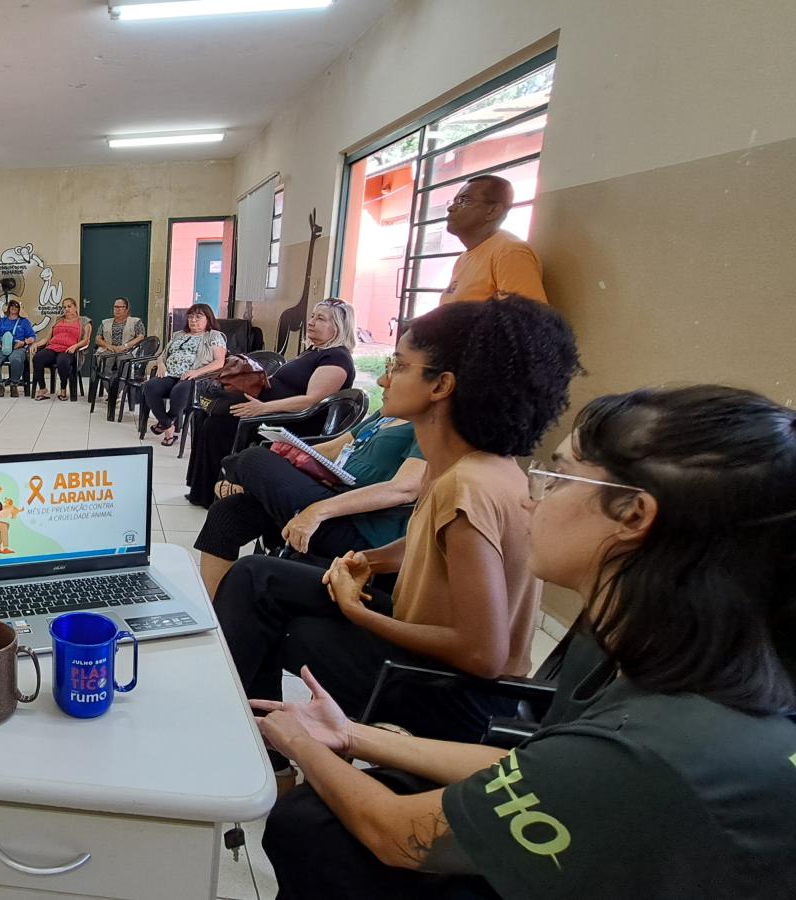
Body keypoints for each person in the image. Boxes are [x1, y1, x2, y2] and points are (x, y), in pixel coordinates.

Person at [257, 384, 796, 900]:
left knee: (316, 828)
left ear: (633, 514)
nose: (531, 502)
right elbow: (538, 767)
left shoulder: (666, 741)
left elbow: (396, 836)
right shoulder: (634, 639)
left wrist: (300, 742)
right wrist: (351, 736)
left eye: (558, 477)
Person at [213, 297, 580, 781]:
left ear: (441, 386)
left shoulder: (468, 488)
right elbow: (427, 546)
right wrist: (370, 560)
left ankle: (249, 751)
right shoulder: (470, 468)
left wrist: (357, 611)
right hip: (439, 664)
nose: (385, 378)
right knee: (257, 576)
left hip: (455, 694)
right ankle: (264, 754)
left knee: (286, 625)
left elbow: (483, 654)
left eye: (399, 366)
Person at [194, 413, 426, 598]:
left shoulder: (430, 426)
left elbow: (405, 489)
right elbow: (332, 449)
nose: (383, 378)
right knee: (228, 513)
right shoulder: (385, 415)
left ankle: (239, 479)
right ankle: (216, 616)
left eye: (399, 367)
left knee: (253, 459)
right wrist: (289, 461)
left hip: (358, 525)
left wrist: (318, 510)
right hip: (328, 494)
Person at [185, 299, 357, 506]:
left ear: (339, 327)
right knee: (203, 415)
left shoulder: (336, 358)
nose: (311, 322)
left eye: (320, 318)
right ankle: (200, 489)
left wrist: (262, 408)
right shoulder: (314, 352)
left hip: (287, 420)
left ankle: (210, 494)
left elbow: (311, 401)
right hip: (267, 409)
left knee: (216, 424)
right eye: (312, 316)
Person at [437, 174, 546, 304]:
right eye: (454, 201)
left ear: (493, 211)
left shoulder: (510, 252)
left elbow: (528, 319)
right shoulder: (463, 258)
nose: (451, 208)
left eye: (464, 201)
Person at [141, 302, 227, 447]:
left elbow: (219, 362)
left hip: (195, 377)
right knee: (150, 386)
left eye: (198, 317)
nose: (193, 320)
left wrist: (196, 372)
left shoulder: (214, 336)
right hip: (170, 375)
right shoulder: (178, 334)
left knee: (178, 391)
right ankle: (168, 424)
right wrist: (161, 364)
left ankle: (166, 424)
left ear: (208, 319)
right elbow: (162, 355)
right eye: (190, 317)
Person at [32, 297, 91, 401]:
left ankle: (63, 388)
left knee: (62, 361)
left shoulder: (84, 321)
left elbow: (86, 340)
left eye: (69, 306)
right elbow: (47, 338)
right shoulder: (59, 320)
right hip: (53, 347)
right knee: (38, 358)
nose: (66, 309)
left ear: (76, 307)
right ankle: (42, 388)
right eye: (64, 307)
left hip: (69, 350)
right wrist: (36, 344)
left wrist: (75, 346)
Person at [0, 299, 36, 396]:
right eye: (11, 305)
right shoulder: (1, 321)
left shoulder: (24, 322)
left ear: (19, 309)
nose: (13, 307)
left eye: (16, 306)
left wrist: (24, 342)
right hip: (2, 345)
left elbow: (32, 337)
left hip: (18, 346)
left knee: (16, 359)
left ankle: (14, 384)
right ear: (8, 307)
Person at [94, 297, 146, 382]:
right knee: (105, 360)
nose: (117, 309)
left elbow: (141, 336)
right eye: (115, 307)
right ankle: (110, 390)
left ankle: (117, 391)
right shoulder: (105, 322)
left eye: (120, 307)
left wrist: (125, 346)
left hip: (127, 350)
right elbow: (97, 339)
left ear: (126, 309)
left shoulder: (135, 321)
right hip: (109, 350)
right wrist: (108, 346)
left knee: (123, 362)